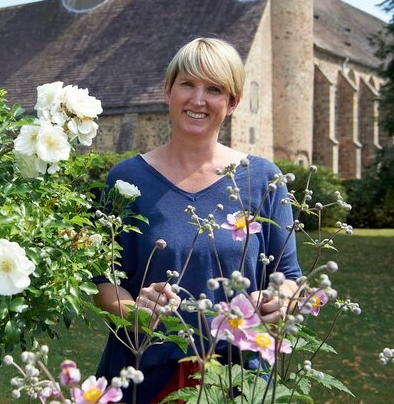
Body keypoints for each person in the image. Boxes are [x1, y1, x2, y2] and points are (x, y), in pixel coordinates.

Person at [94, 37, 302, 403]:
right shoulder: (126, 180)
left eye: (214, 89)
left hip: (237, 382)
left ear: (233, 102)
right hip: (142, 378)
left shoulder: (263, 179)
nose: (198, 100)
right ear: (167, 91)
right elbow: (101, 281)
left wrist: (280, 300)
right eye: (187, 84)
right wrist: (133, 310)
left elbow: (291, 279)